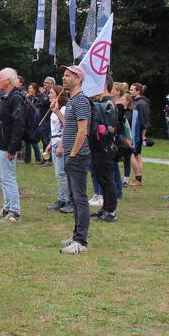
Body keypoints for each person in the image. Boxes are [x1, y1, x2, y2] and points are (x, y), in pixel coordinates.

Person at [60, 65, 92, 255]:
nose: (64, 78)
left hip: (78, 156)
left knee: (80, 198)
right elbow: (69, 125)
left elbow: (83, 131)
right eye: (64, 75)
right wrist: (57, 112)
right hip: (71, 155)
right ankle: (76, 234)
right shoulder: (72, 100)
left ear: (78, 79)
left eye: (68, 75)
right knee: (74, 197)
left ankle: (81, 241)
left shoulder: (81, 101)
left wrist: (72, 155)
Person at [0, 68, 27, 222]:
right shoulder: (6, 97)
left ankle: (15, 211)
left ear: (8, 80)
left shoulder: (16, 98)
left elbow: (18, 125)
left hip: (7, 146)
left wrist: (12, 148)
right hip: (1, 144)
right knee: (2, 177)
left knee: (8, 178)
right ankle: (7, 207)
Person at [90, 81, 120, 223]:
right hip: (98, 147)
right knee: (101, 178)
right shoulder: (102, 103)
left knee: (107, 179)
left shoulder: (109, 105)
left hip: (105, 147)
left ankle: (111, 210)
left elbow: (110, 127)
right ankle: (106, 207)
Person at [46, 85, 72, 213]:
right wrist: (50, 144)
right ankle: (62, 198)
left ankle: (64, 199)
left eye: (51, 93)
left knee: (61, 174)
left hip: (62, 143)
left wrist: (60, 146)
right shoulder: (54, 110)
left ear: (58, 95)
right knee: (58, 174)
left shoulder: (64, 109)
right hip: (55, 141)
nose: (49, 95)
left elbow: (66, 128)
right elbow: (55, 130)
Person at [129, 83, 151, 186]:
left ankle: (138, 178)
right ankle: (138, 178)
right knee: (137, 155)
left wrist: (143, 135)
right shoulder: (136, 102)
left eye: (132, 89)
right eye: (130, 89)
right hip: (134, 131)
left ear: (138, 91)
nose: (130, 91)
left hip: (137, 133)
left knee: (132, 154)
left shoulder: (141, 104)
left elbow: (144, 120)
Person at [23, 83, 44, 164]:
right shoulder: (28, 98)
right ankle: (27, 159)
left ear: (35, 89)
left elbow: (36, 107)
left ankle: (38, 159)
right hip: (28, 122)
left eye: (31, 88)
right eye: (29, 88)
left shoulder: (38, 98)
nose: (29, 90)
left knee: (34, 141)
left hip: (35, 122)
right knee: (27, 141)